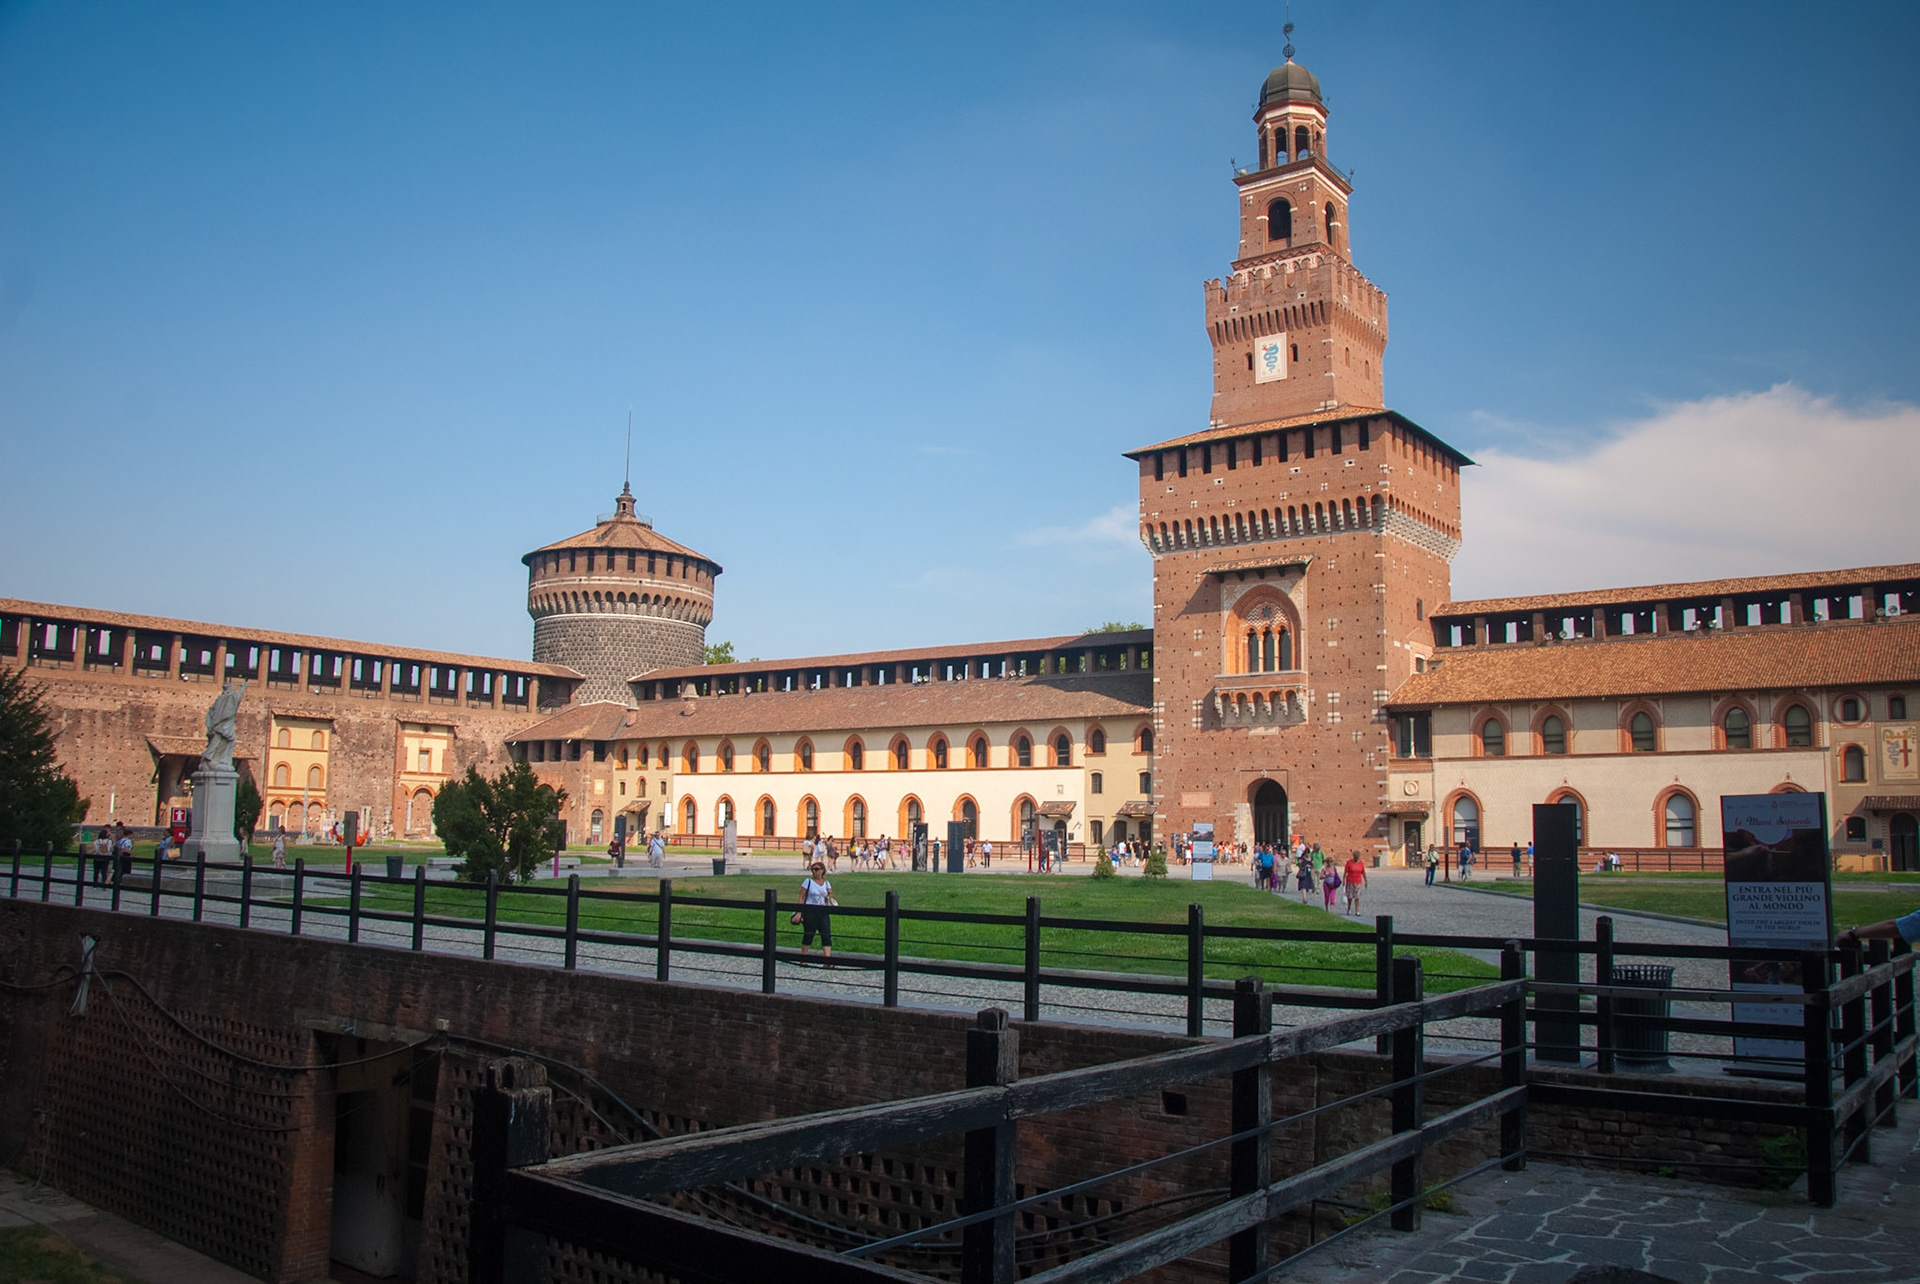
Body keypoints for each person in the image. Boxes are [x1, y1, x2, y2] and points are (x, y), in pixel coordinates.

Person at [799, 861, 835, 959]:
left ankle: (827, 959)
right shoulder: (808, 882)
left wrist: (829, 897)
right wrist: (799, 911)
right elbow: (801, 897)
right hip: (810, 912)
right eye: (813, 869)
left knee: (826, 934)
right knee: (809, 934)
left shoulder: (827, 883)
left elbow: (830, 894)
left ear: (822, 871)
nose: (814, 872)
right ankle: (804, 958)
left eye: (817, 869)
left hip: (823, 912)